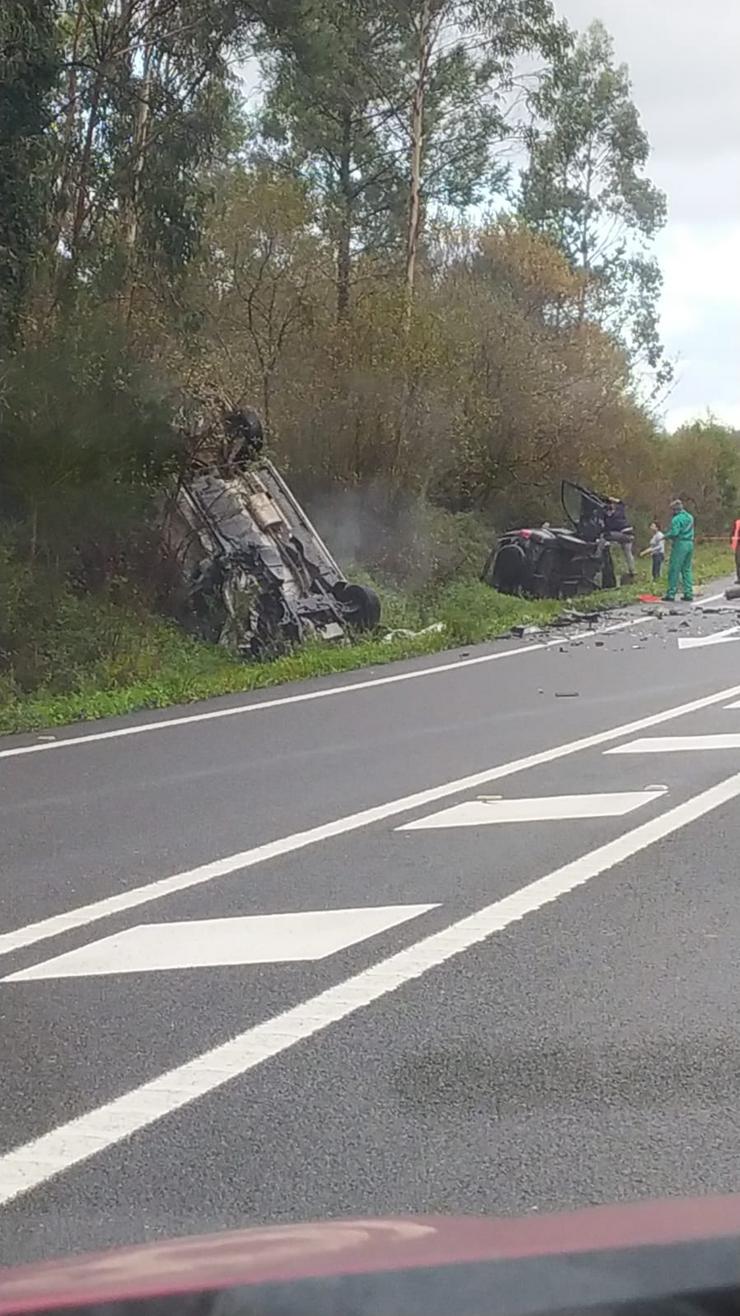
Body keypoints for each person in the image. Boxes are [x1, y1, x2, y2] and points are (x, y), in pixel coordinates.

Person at [662, 497, 695, 602]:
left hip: (680, 544)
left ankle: (671, 593)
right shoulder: (690, 517)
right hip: (690, 543)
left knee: (674, 569)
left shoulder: (676, 519)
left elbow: (675, 532)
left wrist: (665, 536)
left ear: (674, 510)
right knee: (687, 569)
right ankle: (688, 592)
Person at [604, 496, 636, 577]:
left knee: (606, 536)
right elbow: (621, 503)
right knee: (628, 553)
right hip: (628, 535)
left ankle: (630, 570)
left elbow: (621, 503)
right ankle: (632, 570)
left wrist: (609, 499)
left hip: (625, 534)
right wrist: (612, 499)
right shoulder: (619, 511)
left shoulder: (610, 518)